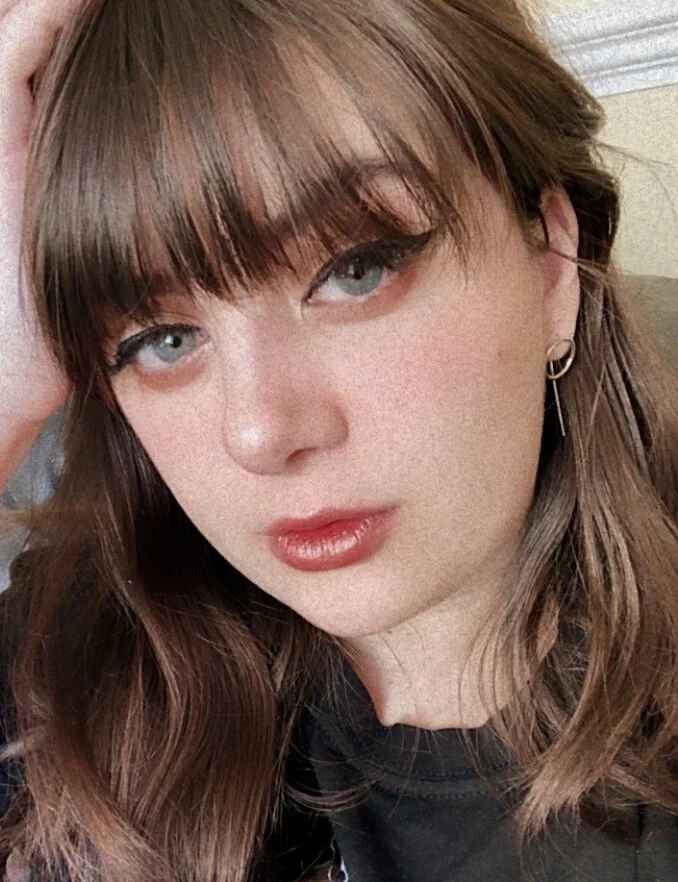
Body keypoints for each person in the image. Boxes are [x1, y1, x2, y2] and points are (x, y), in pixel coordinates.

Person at [0, 0, 677, 879]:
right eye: (161, 339)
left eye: (355, 271)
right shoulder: (70, 671)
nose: (260, 430)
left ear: (549, 262)